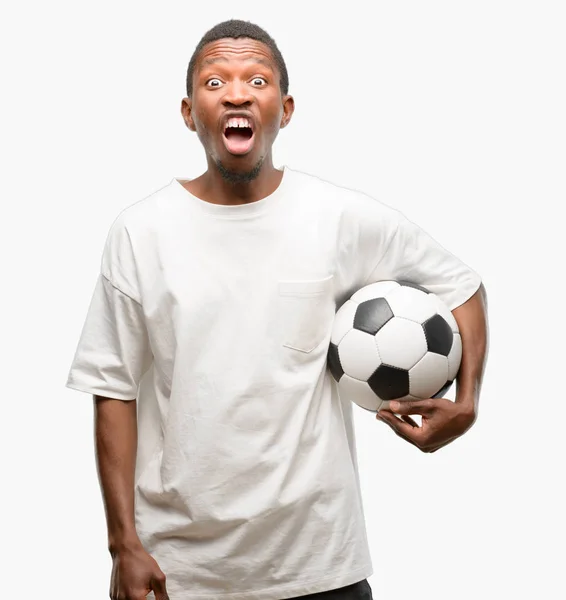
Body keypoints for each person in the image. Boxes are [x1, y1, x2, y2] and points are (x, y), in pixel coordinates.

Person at [66, 18, 488, 600]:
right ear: (189, 113)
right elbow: (111, 385)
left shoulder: (337, 217)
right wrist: (123, 546)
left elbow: (462, 286)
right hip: (179, 572)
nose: (237, 93)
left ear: (284, 110)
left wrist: (466, 400)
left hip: (321, 564)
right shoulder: (142, 231)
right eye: (215, 82)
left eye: (256, 80)